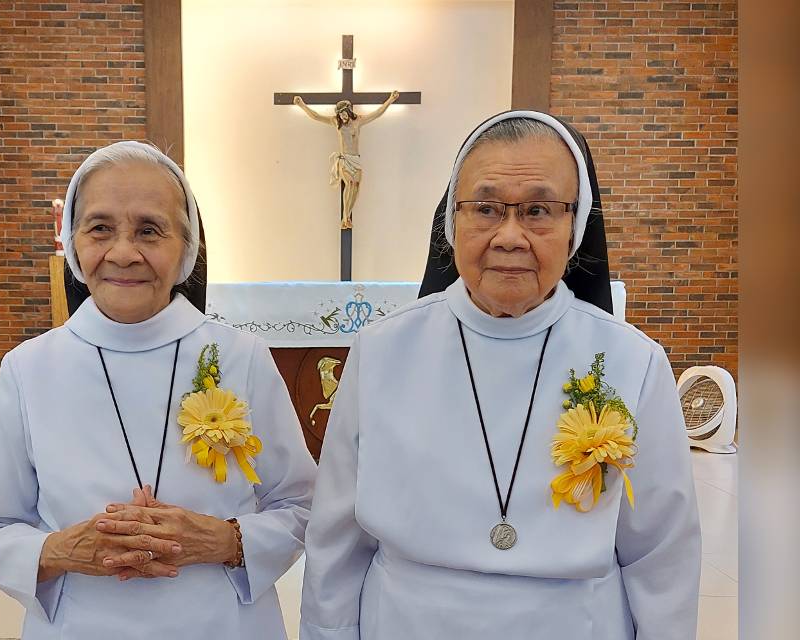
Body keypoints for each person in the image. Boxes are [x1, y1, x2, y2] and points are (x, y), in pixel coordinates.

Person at [299, 110, 700, 640]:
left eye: (538, 210)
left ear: (575, 225)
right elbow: (336, 543)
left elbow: (662, 554)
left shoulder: (632, 361)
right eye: (485, 208)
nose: (510, 236)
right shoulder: (381, 352)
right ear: (452, 221)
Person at [0, 140, 316, 640]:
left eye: (149, 230)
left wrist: (224, 539)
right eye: (100, 228)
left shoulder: (242, 357)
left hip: (220, 623)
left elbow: (302, 506)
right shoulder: (28, 368)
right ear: (73, 241)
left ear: (186, 248)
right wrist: (62, 549)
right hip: (81, 624)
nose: (123, 253)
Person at [293, 91, 400, 228]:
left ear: (349, 112)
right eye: (340, 114)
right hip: (344, 159)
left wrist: (390, 100)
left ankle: (347, 216)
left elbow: (377, 113)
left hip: (356, 159)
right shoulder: (335, 122)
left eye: (344, 113)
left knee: (356, 186)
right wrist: (301, 104)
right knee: (349, 183)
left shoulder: (358, 121)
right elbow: (316, 116)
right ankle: (345, 217)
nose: (342, 116)